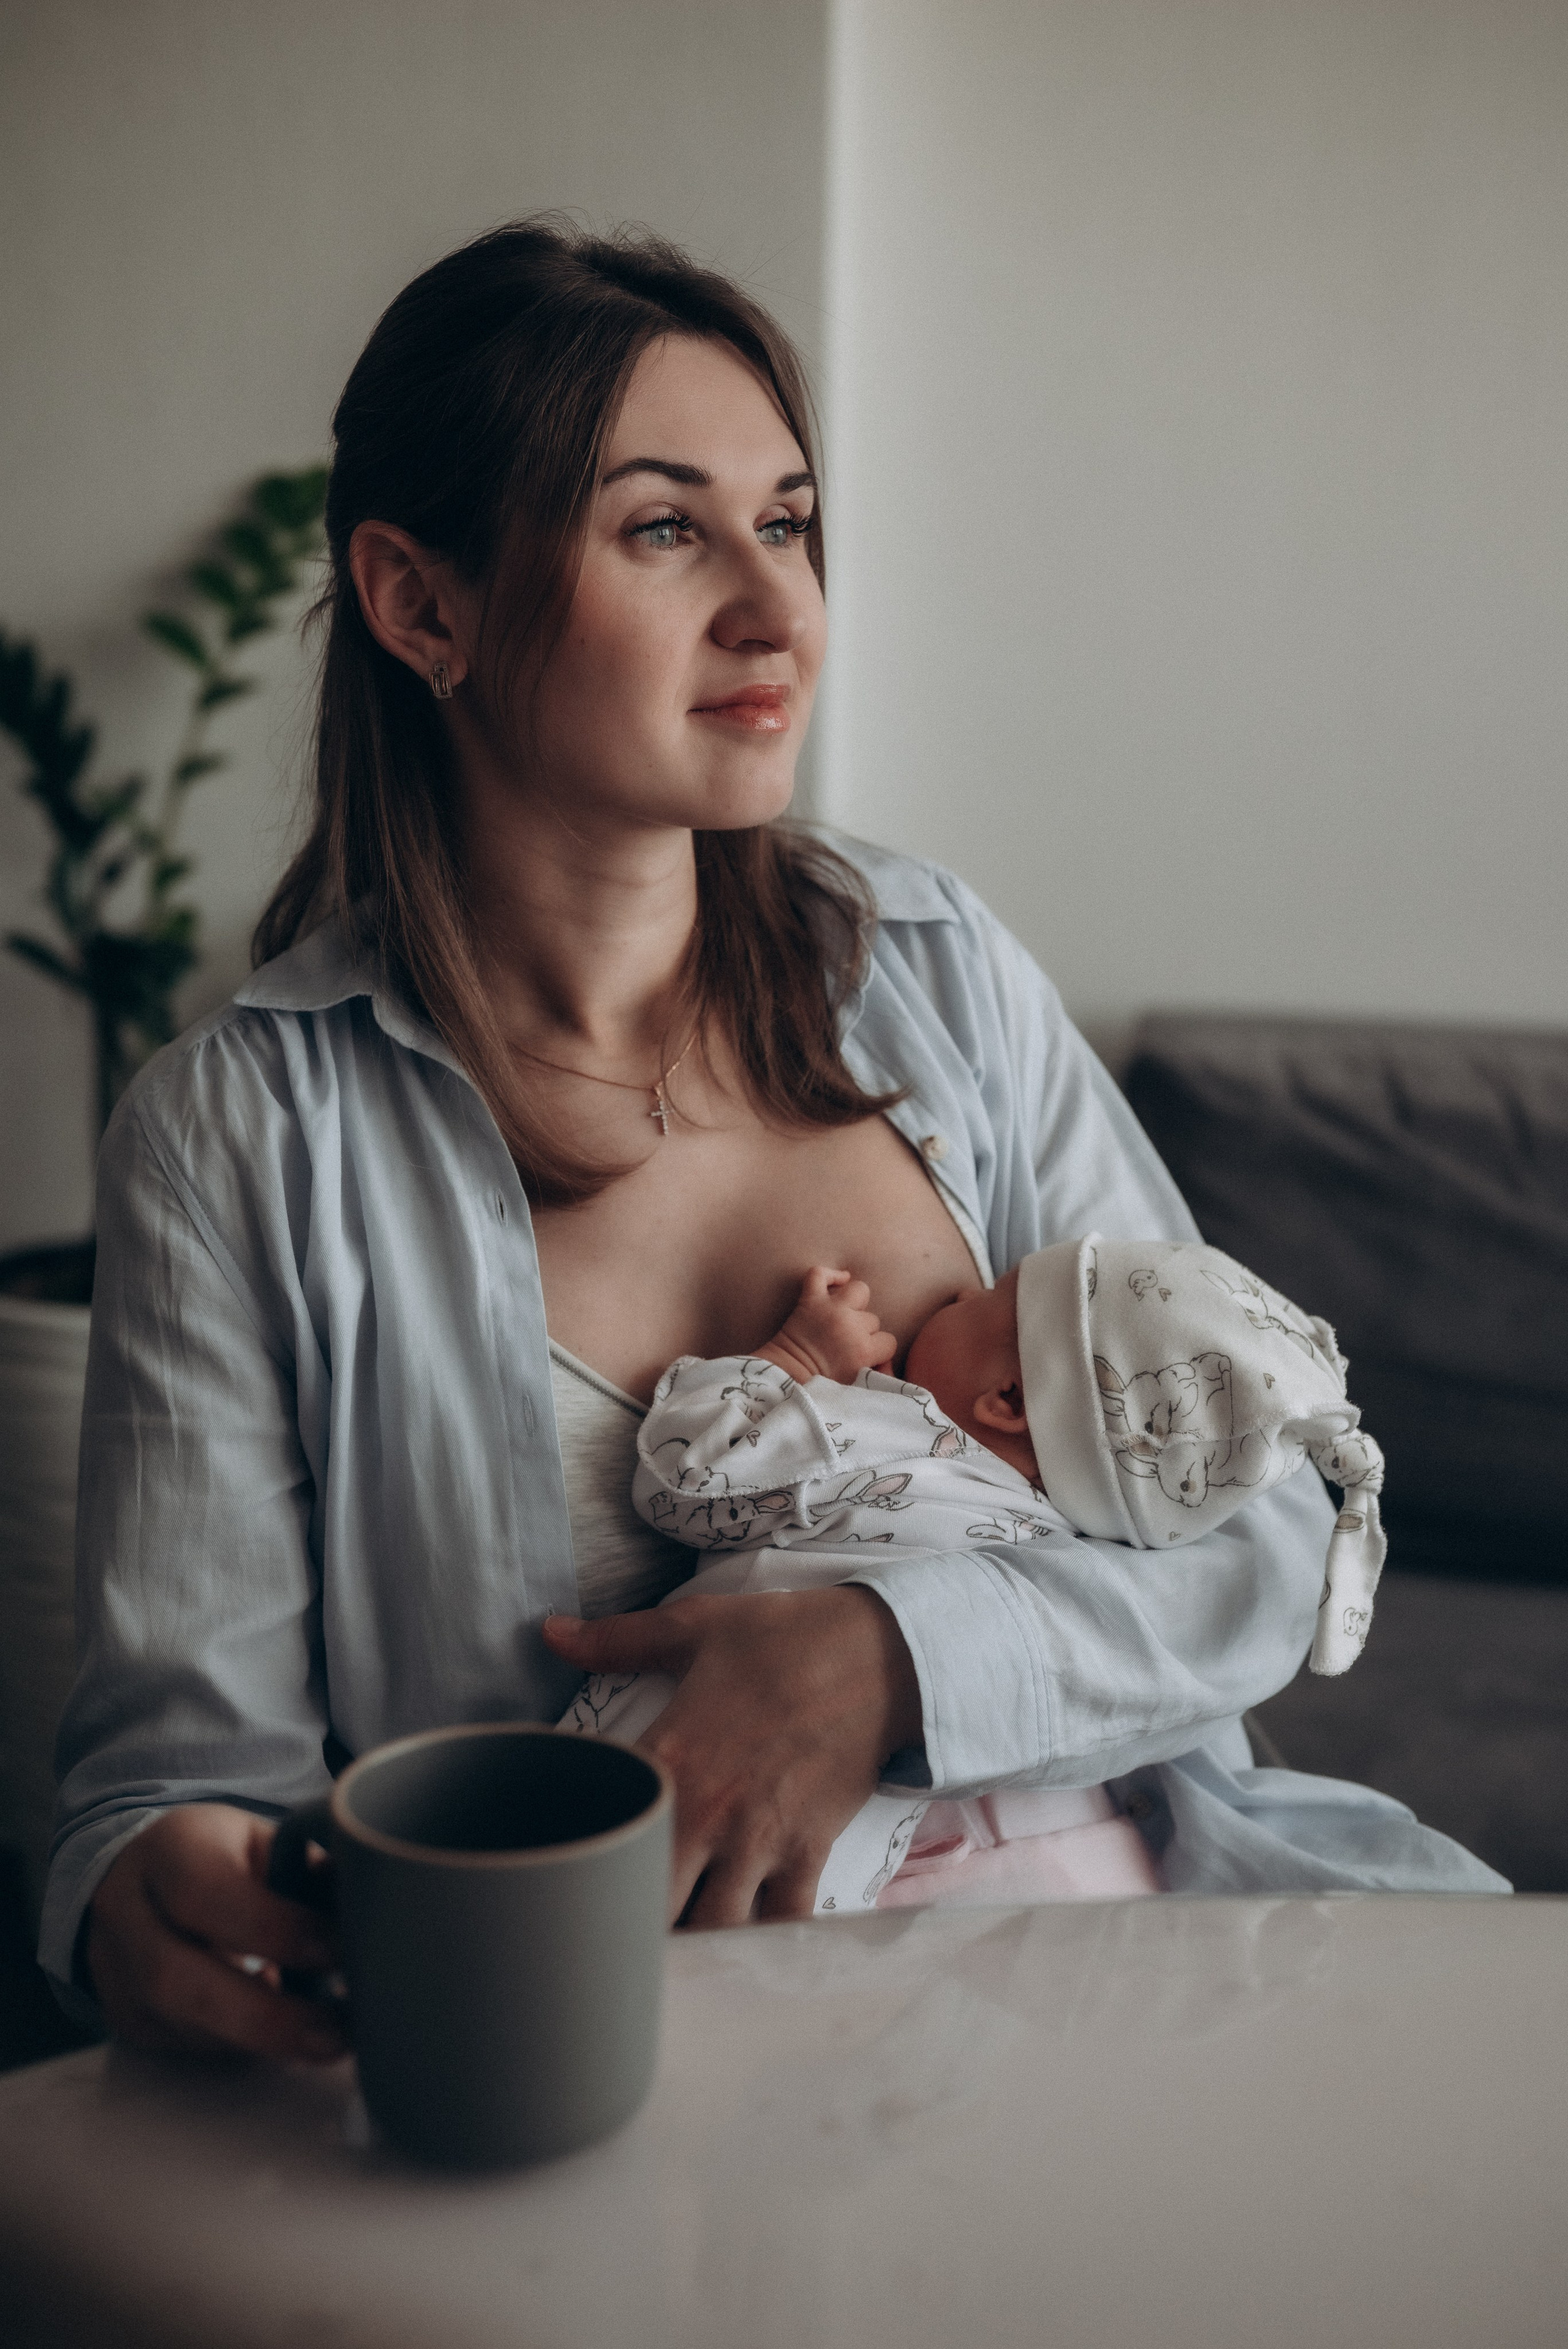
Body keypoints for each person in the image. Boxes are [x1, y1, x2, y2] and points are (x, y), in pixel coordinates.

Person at [45, 219, 1504, 2059]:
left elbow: (1274, 1519)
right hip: (615, 2063)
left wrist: (893, 1660)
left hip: (1120, 1989)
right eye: (668, 527)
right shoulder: (235, 1135)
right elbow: (166, 1780)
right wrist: (151, 1890)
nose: (777, 608)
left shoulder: (941, 976)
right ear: (424, 607)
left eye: (792, 523)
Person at [564, 1245, 1498, 1912]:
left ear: (1004, 1399)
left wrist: (798, 1362)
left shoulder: (891, 1445)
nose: (965, 1283)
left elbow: (688, 1477)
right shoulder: (1071, 1551)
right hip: (890, 1873)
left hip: (671, 1787)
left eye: (994, 1292)